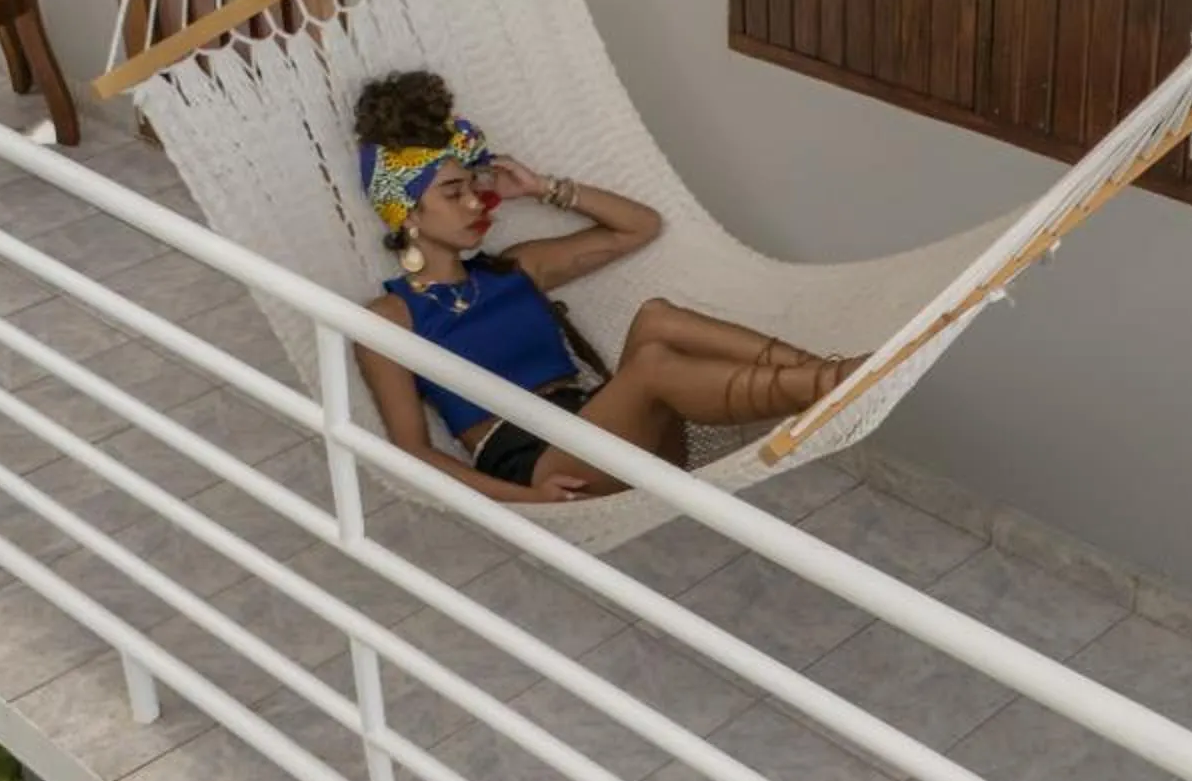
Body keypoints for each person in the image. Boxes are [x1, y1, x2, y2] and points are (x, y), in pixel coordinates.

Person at [351, 70, 856, 506]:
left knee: (656, 317)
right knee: (652, 364)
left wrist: (540, 187)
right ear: (406, 212)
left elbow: (640, 226)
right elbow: (413, 451)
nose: (476, 204)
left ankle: (823, 372)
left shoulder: (513, 268)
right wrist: (527, 500)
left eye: (473, 188)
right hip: (549, 471)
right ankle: (833, 385)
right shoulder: (391, 318)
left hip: (612, 430)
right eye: (453, 193)